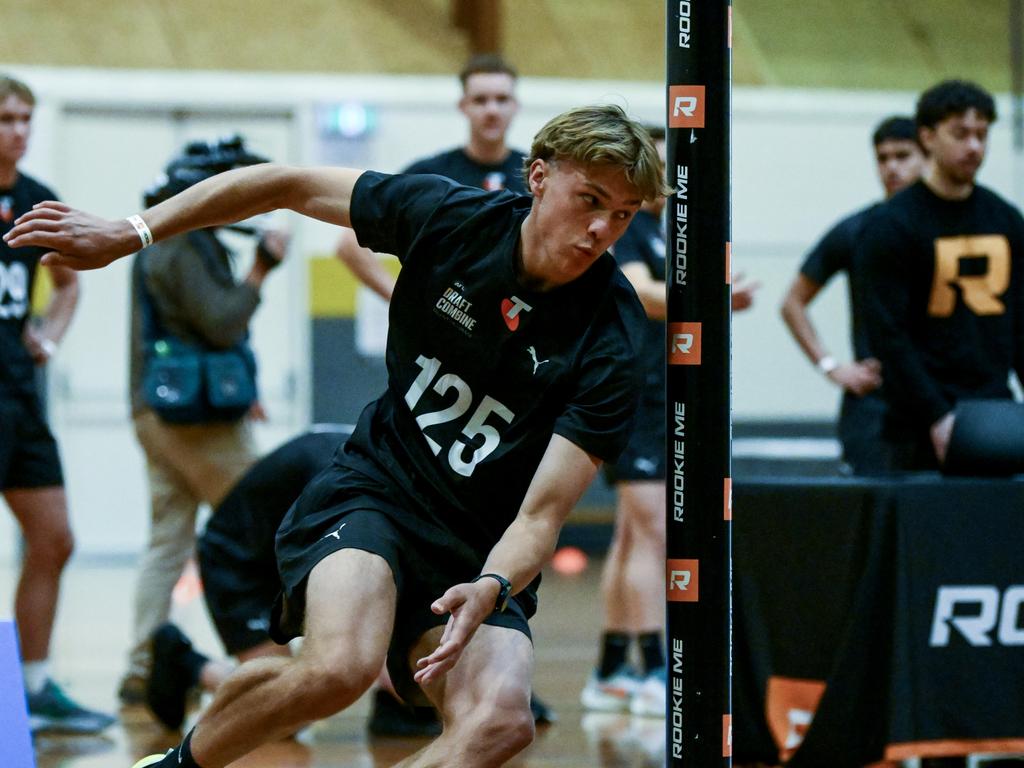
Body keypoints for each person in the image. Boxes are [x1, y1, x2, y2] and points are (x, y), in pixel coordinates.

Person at [6, 102, 667, 768]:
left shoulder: (611, 336)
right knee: (339, 666)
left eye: (624, 214)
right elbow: (283, 183)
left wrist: (492, 583)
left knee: (501, 723)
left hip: (477, 548)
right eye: (590, 199)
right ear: (538, 177)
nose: (600, 229)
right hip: (377, 494)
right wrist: (133, 231)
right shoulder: (448, 216)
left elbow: (542, 514)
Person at [146, 425, 553, 735]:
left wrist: (494, 685)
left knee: (319, 687)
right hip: (239, 560)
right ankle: (190, 665)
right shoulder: (363, 489)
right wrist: (482, 694)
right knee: (289, 711)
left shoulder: (396, 469)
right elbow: (376, 642)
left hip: (284, 539)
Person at [581, 125, 757, 719]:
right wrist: (712, 295)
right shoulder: (625, 229)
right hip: (633, 397)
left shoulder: (661, 230)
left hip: (656, 398)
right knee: (653, 533)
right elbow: (639, 293)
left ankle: (609, 671)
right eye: (652, 165)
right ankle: (654, 666)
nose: (663, 177)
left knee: (630, 535)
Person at [117, 135, 288, 705]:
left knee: (167, 540)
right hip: (195, 420)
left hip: (160, 412)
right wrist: (263, 268)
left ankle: (144, 664)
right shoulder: (184, 243)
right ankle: (269, 663)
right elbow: (221, 322)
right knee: (262, 531)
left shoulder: (165, 238)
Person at [0, 74, 114, 734]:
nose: (18, 129)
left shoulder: (36, 200)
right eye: (6, 117)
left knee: (54, 538)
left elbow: (67, 283)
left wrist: (50, 335)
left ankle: (32, 690)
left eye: (25, 118)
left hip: (19, 392)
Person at [860, 80, 1024, 475]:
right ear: (928, 137)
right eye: (961, 134)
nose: (974, 147)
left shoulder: (1005, 219)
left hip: (994, 413)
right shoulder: (890, 225)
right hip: (916, 426)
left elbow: (1020, 323)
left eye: (982, 135)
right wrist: (936, 414)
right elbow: (889, 336)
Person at [780, 116, 925, 475]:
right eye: (882, 158)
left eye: (902, 156)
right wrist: (832, 367)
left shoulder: (953, 228)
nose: (891, 167)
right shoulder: (858, 229)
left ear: (928, 154)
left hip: (938, 395)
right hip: (875, 404)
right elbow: (792, 302)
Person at [335, 52, 525, 297]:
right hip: (449, 326)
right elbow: (349, 246)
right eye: (480, 100)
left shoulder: (537, 175)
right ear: (463, 106)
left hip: (516, 323)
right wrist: (404, 303)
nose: (492, 110)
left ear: (515, 106)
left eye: (502, 99)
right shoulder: (431, 174)